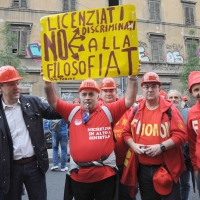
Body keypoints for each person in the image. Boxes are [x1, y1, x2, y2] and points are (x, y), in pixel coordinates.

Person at [44, 75, 138, 200]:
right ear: (80, 96)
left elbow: (129, 99)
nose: (87, 97)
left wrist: (132, 79)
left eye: (91, 94)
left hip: (105, 177)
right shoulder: (72, 111)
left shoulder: (108, 111)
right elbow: (53, 101)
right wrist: (47, 83)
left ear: (97, 96)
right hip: (79, 178)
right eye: (84, 94)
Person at [122, 72, 187, 200]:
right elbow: (125, 133)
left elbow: (182, 135)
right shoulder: (136, 110)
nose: (150, 89)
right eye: (147, 86)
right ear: (142, 89)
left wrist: (162, 146)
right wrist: (133, 145)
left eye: (153, 86)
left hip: (166, 167)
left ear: (159, 88)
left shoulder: (170, 109)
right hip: (143, 169)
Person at [0, 66, 61, 200]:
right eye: (11, 84)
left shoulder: (32, 102)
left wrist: (48, 85)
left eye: (17, 82)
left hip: (34, 166)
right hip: (10, 169)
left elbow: (57, 111)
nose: (17, 87)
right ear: (1, 87)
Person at [98, 77, 136, 200]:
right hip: (104, 166)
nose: (109, 93)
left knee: (127, 196)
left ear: (116, 91)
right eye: (105, 91)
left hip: (126, 164)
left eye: (111, 90)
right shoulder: (95, 111)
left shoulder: (128, 109)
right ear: (100, 93)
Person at [167, 89, 192, 200]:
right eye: (171, 97)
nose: (173, 100)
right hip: (169, 155)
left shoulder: (187, 113)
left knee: (185, 182)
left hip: (185, 155)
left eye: (176, 97)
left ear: (180, 99)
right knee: (171, 182)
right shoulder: (163, 113)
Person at [187, 71, 200, 196]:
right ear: (192, 93)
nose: (199, 92)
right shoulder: (192, 113)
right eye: (196, 90)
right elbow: (191, 142)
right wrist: (195, 167)